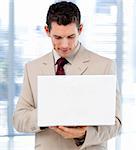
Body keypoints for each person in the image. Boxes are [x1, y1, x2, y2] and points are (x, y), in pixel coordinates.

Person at [13, 1, 122, 150]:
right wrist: (48, 114)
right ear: (47, 31)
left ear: (80, 29)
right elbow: (19, 120)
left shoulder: (104, 65)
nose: (64, 45)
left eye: (71, 36)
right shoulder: (32, 68)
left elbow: (116, 124)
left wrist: (83, 135)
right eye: (57, 37)